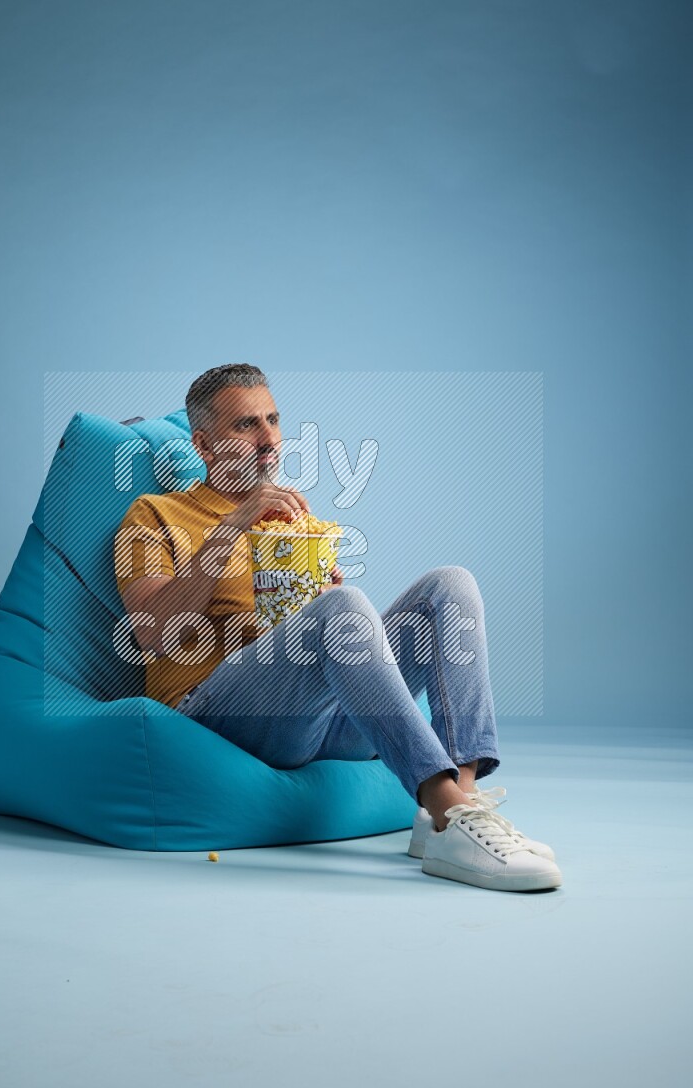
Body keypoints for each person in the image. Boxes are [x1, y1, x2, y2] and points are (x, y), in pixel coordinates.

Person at [114, 364, 562, 893]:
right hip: (214, 717)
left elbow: (320, 629)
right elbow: (149, 634)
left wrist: (323, 606)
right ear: (205, 446)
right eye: (245, 426)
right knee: (343, 606)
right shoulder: (154, 514)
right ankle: (445, 808)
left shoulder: (292, 518)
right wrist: (233, 528)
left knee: (450, 586)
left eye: (273, 420)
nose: (268, 440)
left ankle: (451, 813)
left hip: (314, 719)